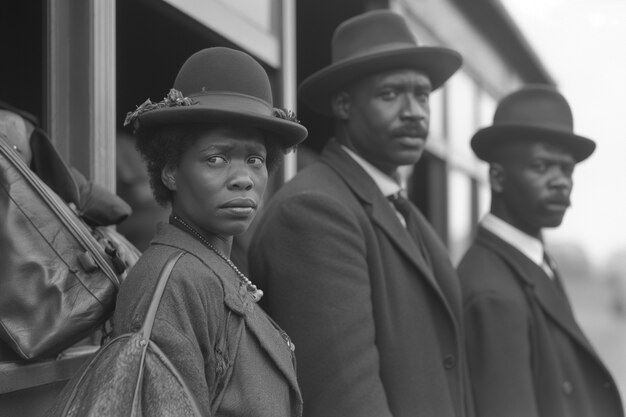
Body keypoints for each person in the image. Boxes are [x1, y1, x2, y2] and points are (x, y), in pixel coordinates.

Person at [248, 10, 472, 417]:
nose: (415, 112)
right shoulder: (315, 211)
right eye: (391, 95)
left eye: (422, 96)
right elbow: (345, 402)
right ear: (344, 105)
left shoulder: (398, 208)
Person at [112, 47, 308, 416]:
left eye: (255, 160)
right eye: (216, 159)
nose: (242, 179)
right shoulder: (172, 281)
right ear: (170, 171)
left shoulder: (215, 266)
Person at [458, 85, 624, 417]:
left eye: (567, 170)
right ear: (498, 177)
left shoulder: (534, 261)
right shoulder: (493, 291)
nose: (561, 181)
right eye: (541, 166)